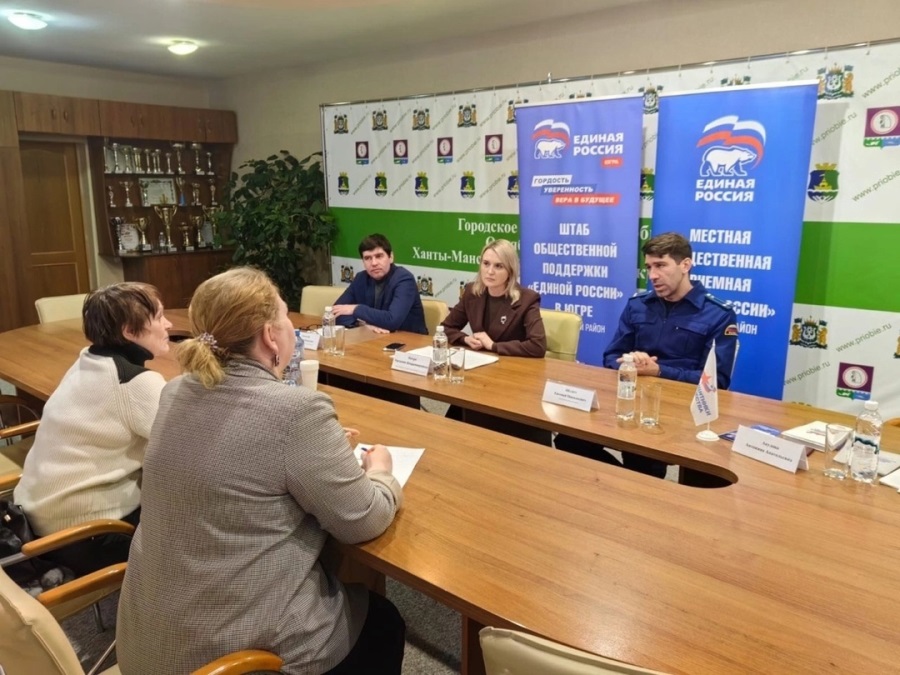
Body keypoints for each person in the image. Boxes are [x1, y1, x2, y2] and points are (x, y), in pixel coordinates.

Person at [117, 267, 405, 675]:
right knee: (383, 622)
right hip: (234, 660)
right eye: (286, 318)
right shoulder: (297, 411)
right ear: (271, 335)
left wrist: (319, 453)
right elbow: (364, 519)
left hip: (148, 643)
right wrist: (380, 473)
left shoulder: (175, 391)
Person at [14, 283, 171, 575]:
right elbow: (188, 448)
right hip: (85, 535)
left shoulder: (89, 359)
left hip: (36, 519)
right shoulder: (133, 381)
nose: (168, 324)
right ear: (129, 331)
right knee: (197, 524)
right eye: (160, 317)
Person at [558, 232, 738, 477]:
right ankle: (621, 485)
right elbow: (611, 356)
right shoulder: (638, 305)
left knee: (645, 462)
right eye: (649, 267)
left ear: (685, 265)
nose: (652, 275)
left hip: (680, 413)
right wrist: (630, 362)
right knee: (569, 438)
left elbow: (717, 382)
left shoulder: (717, 314)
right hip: (630, 402)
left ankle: (633, 487)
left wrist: (659, 371)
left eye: (661, 266)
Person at [441, 239, 546, 357]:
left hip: (511, 364)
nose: (490, 271)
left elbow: (538, 346)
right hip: (480, 362)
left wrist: (493, 346)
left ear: (510, 270)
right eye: (486, 263)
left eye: (498, 266)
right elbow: (444, 328)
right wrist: (465, 339)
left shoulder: (527, 299)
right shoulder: (472, 292)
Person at [332, 233, 427, 334]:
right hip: (375, 337)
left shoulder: (404, 279)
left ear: (391, 257)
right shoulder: (361, 278)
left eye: (379, 256)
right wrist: (362, 325)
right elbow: (334, 313)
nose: (374, 263)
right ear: (363, 261)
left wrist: (356, 309)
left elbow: (392, 320)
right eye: (368, 258)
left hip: (408, 340)